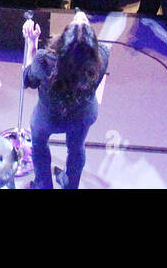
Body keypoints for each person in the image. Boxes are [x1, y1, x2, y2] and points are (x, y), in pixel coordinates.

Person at [21, 10, 110, 189]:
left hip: (48, 118)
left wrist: (31, 42)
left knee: (39, 146)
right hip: (83, 115)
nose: (80, 14)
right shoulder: (103, 55)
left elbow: (28, 79)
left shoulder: (45, 60)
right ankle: (70, 185)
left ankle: (43, 186)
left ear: (63, 40)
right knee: (77, 148)